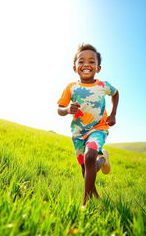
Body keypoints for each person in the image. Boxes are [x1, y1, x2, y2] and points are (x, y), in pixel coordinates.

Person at [57, 44, 119, 206]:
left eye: (91, 61)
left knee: (90, 156)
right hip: (78, 132)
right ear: (75, 67)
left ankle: (85, 203)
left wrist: (113, 114)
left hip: (98, 128)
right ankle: (102, 162)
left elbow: (116, 93)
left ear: (98, 68)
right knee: (85, 169)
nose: (86, 64)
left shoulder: (102, 86)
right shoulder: (71, 87)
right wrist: (67, 109)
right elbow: (59, 109)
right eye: (81, 61)